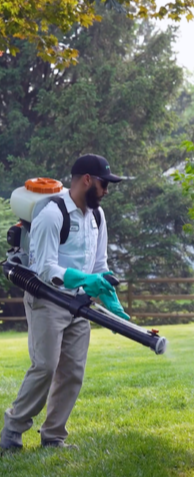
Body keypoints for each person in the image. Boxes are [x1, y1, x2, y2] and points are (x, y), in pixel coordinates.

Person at [0, 154, 129, 452]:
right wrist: (85, 280)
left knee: (72, 371)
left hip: (79, 304)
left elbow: (100, 265)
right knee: (45, 366)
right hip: (47, 299)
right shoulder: (52, 214)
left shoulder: (97, 216)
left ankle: (53, 436)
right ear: (86, 180)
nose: (106, 191)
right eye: (103, 185)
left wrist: (111, 301)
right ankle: (12, 431)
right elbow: (45, 268)